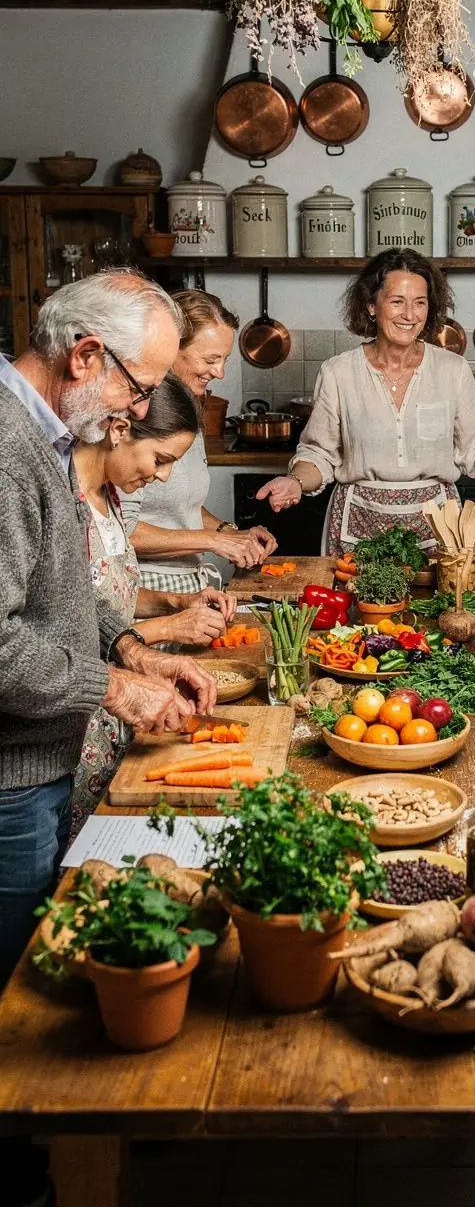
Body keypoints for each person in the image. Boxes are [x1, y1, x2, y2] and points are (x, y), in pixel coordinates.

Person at [0, 271, 217, 989]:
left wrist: (133, 652)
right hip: (12, 786)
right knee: (26, 1000)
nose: (143, 407)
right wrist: (115, 686)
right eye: (139, 384)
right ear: (86, 355)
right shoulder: (7, 448)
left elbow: (64, 591)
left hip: (43, 762)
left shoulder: (50, 437)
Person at [256, 249, 475, 555]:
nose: (409, 315)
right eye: (397, 301)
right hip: (357, 530)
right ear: (371, 305)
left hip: (437, 531)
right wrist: (295, 481)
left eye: (420, 303)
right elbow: (319, 455)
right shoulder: (339, 372)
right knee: (356, 619)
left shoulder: (452, 370)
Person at [70, 373, 238, 837]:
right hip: (80, 716)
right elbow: (65, 629)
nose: (163, 475)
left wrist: (171, 601)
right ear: (121, 430)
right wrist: (162, 633)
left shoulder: (112, 498)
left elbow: (107, 597)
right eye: (161, 459)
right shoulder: (67, 502)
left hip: (119, 710)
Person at [124, 289, 276, 591]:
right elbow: (120, 530)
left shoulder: (188, 407)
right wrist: (214, 541)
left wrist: (231, 533)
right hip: (145, 586)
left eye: (225, 359)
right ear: (171, 347)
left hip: (190, 580)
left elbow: (183, 509)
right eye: (211, 359)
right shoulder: (136, 415)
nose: (219, 372)